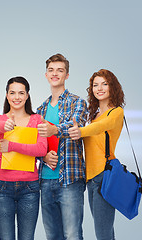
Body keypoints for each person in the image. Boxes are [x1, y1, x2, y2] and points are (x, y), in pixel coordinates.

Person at [68, 69, 125, 240]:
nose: (99, 88)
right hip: (91, 179)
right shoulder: (92, 116)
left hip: (104, 176)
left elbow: (101, 126)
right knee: (105, 232)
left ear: (112, 87)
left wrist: (81, 131)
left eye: (104, 84)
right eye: (95, 85)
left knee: (103, 233)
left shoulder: (115, 112)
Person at [36, 53, 88, 240]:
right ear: (46, 75)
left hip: (70, 180)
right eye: (51, 70)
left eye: (60, 70)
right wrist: (43, 157)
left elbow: (78, 127)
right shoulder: (40, 110)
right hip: (45, 180)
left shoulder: (78, 102)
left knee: (73, 235)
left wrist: (55, 129)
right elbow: (34, 144)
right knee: (53, 236)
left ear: (67, 75)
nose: (55, 73)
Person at [0, 76, 47, 240]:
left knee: (27, 237)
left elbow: (41, 149)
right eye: (12, 93)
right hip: (2, 187)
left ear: (27, 95)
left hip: (29, 187)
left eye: (21, 93)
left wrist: (12, 146)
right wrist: (6, 126)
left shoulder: (37, 119)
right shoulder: (0, 119)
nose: (17, 97)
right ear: (7, 95)